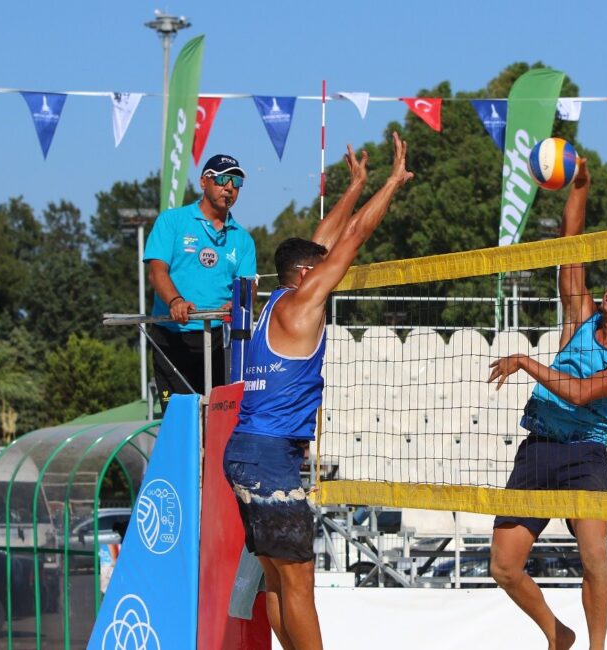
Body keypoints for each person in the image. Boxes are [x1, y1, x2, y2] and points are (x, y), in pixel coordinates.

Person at [223, 134, 412, 650]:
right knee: (300, 583)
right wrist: (392, 183)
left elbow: (326, 238)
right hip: (268, 456)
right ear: (308, 275)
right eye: (321, 268)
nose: (331, 270)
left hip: (244, 450)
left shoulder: (277, 301)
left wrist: (353, 186)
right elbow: (351, 238)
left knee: (279, 582)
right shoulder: (303, 305)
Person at [486, 160, 607, 650]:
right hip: (540, 446)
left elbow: (582, 394)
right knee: (503, 564)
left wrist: (525, 361)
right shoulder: (580, 317)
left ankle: (597, 648)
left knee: (594, 560)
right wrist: (579, 186)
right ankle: (557, 634)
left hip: (584, 454)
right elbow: (571, 249)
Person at [144, 154, 257, 412]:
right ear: (203, 182)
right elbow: (157, 272)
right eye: (222, 179)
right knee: (179, 419)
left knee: (215, 419)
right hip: (173, 337)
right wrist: (176, 301)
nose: (229, 187)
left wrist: (238, 301)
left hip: (216, 340)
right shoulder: (172, 221)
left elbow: (248, 285)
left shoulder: (243, 239)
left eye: (236, 181)